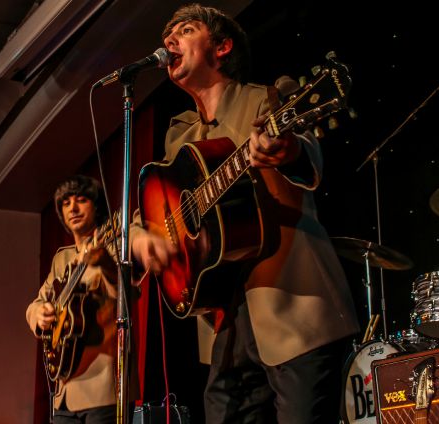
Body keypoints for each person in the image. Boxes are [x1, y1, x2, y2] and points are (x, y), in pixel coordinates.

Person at [130, 4, 360, 423]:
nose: (169, 41)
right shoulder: (180, 136)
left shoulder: (268, 98)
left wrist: (287, 150)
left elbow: (309, 156)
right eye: (167, 35)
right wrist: (140, 235)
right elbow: (151, 210)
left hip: (291, 302)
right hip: (224, 321)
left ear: (222, 46)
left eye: (185, 30)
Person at [26, 175, 120, 423]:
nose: (73, 209)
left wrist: (106, 263)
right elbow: (35, 304)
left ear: (97, 207)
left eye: (81, 201)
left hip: (101, 387)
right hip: (64, 391)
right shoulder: (61, 259)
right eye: (66, 204)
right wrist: (40, 313)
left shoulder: (113, 245)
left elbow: (126, 296)